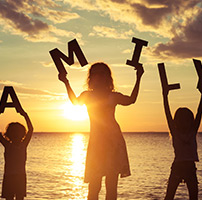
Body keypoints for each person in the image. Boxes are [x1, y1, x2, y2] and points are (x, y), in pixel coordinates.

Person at [58, 62, 144, 200]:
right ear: (91, 77)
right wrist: (66, 82)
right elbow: (75, 102)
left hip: (114, 142)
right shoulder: (87, 95)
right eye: (95, 73)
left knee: (111, 185)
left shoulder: (113, 96)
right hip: (96, 143)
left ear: (107, 77)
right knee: (94, 186)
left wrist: (139, 76)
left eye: (102, 73)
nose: (98, 76)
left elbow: (131, 100)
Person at [162, 81, 202, 200]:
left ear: (191, 121)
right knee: (169, 196)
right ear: (176, 121)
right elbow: (167, 113)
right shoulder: (175, 132)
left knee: (194, 197)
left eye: (187, 120)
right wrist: (165, 96)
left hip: (190, 168)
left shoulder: (193, 132)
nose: (184, 123)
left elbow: (200, 112)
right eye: (181, 120)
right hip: (177, 167)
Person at [0, 109, 33, 200]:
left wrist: (25, 115)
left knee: (20, 198)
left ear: (22, 134)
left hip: (20, 176)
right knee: (9, 198)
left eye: (18, 133)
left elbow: (31, 130)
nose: (16, 135)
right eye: (14, 133)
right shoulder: (8, 145)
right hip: (9, 176)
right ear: (9, 134)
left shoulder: (23, 145)